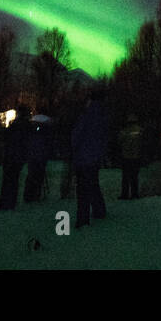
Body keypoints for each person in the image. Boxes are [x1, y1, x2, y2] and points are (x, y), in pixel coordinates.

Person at [71, 89, 108, 227]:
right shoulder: (103, 116)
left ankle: (83, 219)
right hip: (95, 158)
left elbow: (77, 135)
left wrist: (74, 149)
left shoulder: (86, 115)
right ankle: (99, 211)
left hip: (83, 157)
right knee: (93, 184)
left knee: (82, 189)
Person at [0, 105, 31, 210]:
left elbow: (8, 137)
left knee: (8, 179)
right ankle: (10, 202)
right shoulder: (26, 125)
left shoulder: (16, 125)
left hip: (12, 154)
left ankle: (5, 202)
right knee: (13, 180)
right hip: (18, 155)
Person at [24, 114, 52, 202]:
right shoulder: (45, 131)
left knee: (32, 175)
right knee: (38, 176)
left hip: (34, 156)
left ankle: (29, 195)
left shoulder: (32, 130)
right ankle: (35, 195)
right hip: (40, 156)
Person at [118, 114, 143, 200]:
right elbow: (143, 142)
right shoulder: (140, 130)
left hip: (126, 156)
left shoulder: (124, 131)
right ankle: (134, 194)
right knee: (134, 176)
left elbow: (119, 141)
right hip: (136, 156)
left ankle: (125, 194)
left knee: (125, 177)